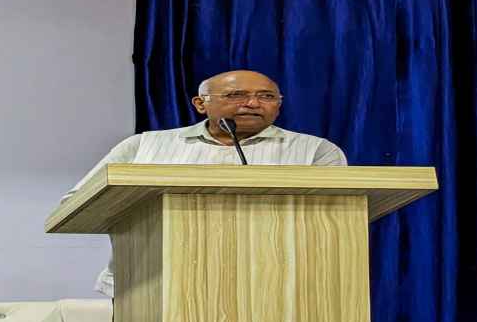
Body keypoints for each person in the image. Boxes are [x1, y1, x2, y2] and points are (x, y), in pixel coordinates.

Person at [62, 69, 348, 299]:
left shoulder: (316, 151)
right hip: (152, 285)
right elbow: (77, 204)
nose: (252, 103)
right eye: (237, 94)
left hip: (278, 288)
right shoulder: (144, 146)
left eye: (266, 96)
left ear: (279, 104)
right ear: (200, 104)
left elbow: (336, 221)